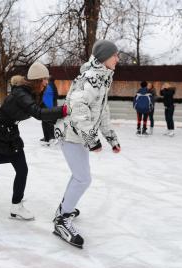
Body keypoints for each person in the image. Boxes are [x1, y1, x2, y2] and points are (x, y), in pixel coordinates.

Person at [0, 62, 67, 224]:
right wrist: (64, 110)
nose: (46, 82)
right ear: (37, 79)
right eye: (44, 79)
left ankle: (16, 206)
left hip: (11, 136)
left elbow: (44, 112)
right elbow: (38, 113)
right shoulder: (21, 94)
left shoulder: (35, 93)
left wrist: (59, 120)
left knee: (22, 170)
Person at [53, 40, 121, 248]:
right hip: (71, 135)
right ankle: (62, 220)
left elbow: (102, 110)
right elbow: (77, 108)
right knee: (83, 179)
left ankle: (64, 209)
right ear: (104, 57)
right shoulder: (91, 78)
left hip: (78, 135)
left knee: (80, 177)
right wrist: (92, 139)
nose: (118, 59)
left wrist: (111, 137)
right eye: (115, 55)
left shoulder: (102, 77)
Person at [40, 76, 59, 145]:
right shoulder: (50, 85)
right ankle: (47, 137)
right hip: (48, 106)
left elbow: (48, 97)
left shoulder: (49, 86)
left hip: (49, 107)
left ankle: (51, 138)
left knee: (48, 122)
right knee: (45, 122)